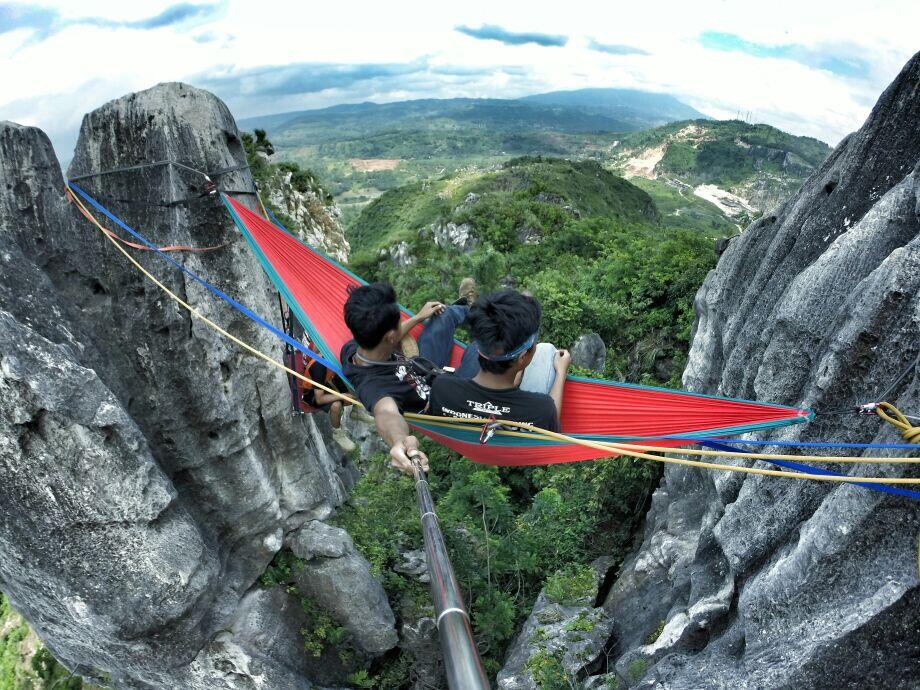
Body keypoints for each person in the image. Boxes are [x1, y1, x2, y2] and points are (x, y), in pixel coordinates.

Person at [341, 280, 480, 474]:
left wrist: (418, 318)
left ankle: (473, 311)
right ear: (391, 336)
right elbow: (386, 414)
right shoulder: (374, 388)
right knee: (485, 344)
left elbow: (390, 337)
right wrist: (399, 442)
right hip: (448, 400)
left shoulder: (355, 346)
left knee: (444, 313)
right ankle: (485, 327)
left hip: (423, 366)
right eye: (400, 321)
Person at [428, 290, 571, 433]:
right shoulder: (541, 409)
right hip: (510, 450)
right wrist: (561, 372)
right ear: (523, 357)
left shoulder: (441, 388)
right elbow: (550, 429)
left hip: (465, 439)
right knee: (546, 349)